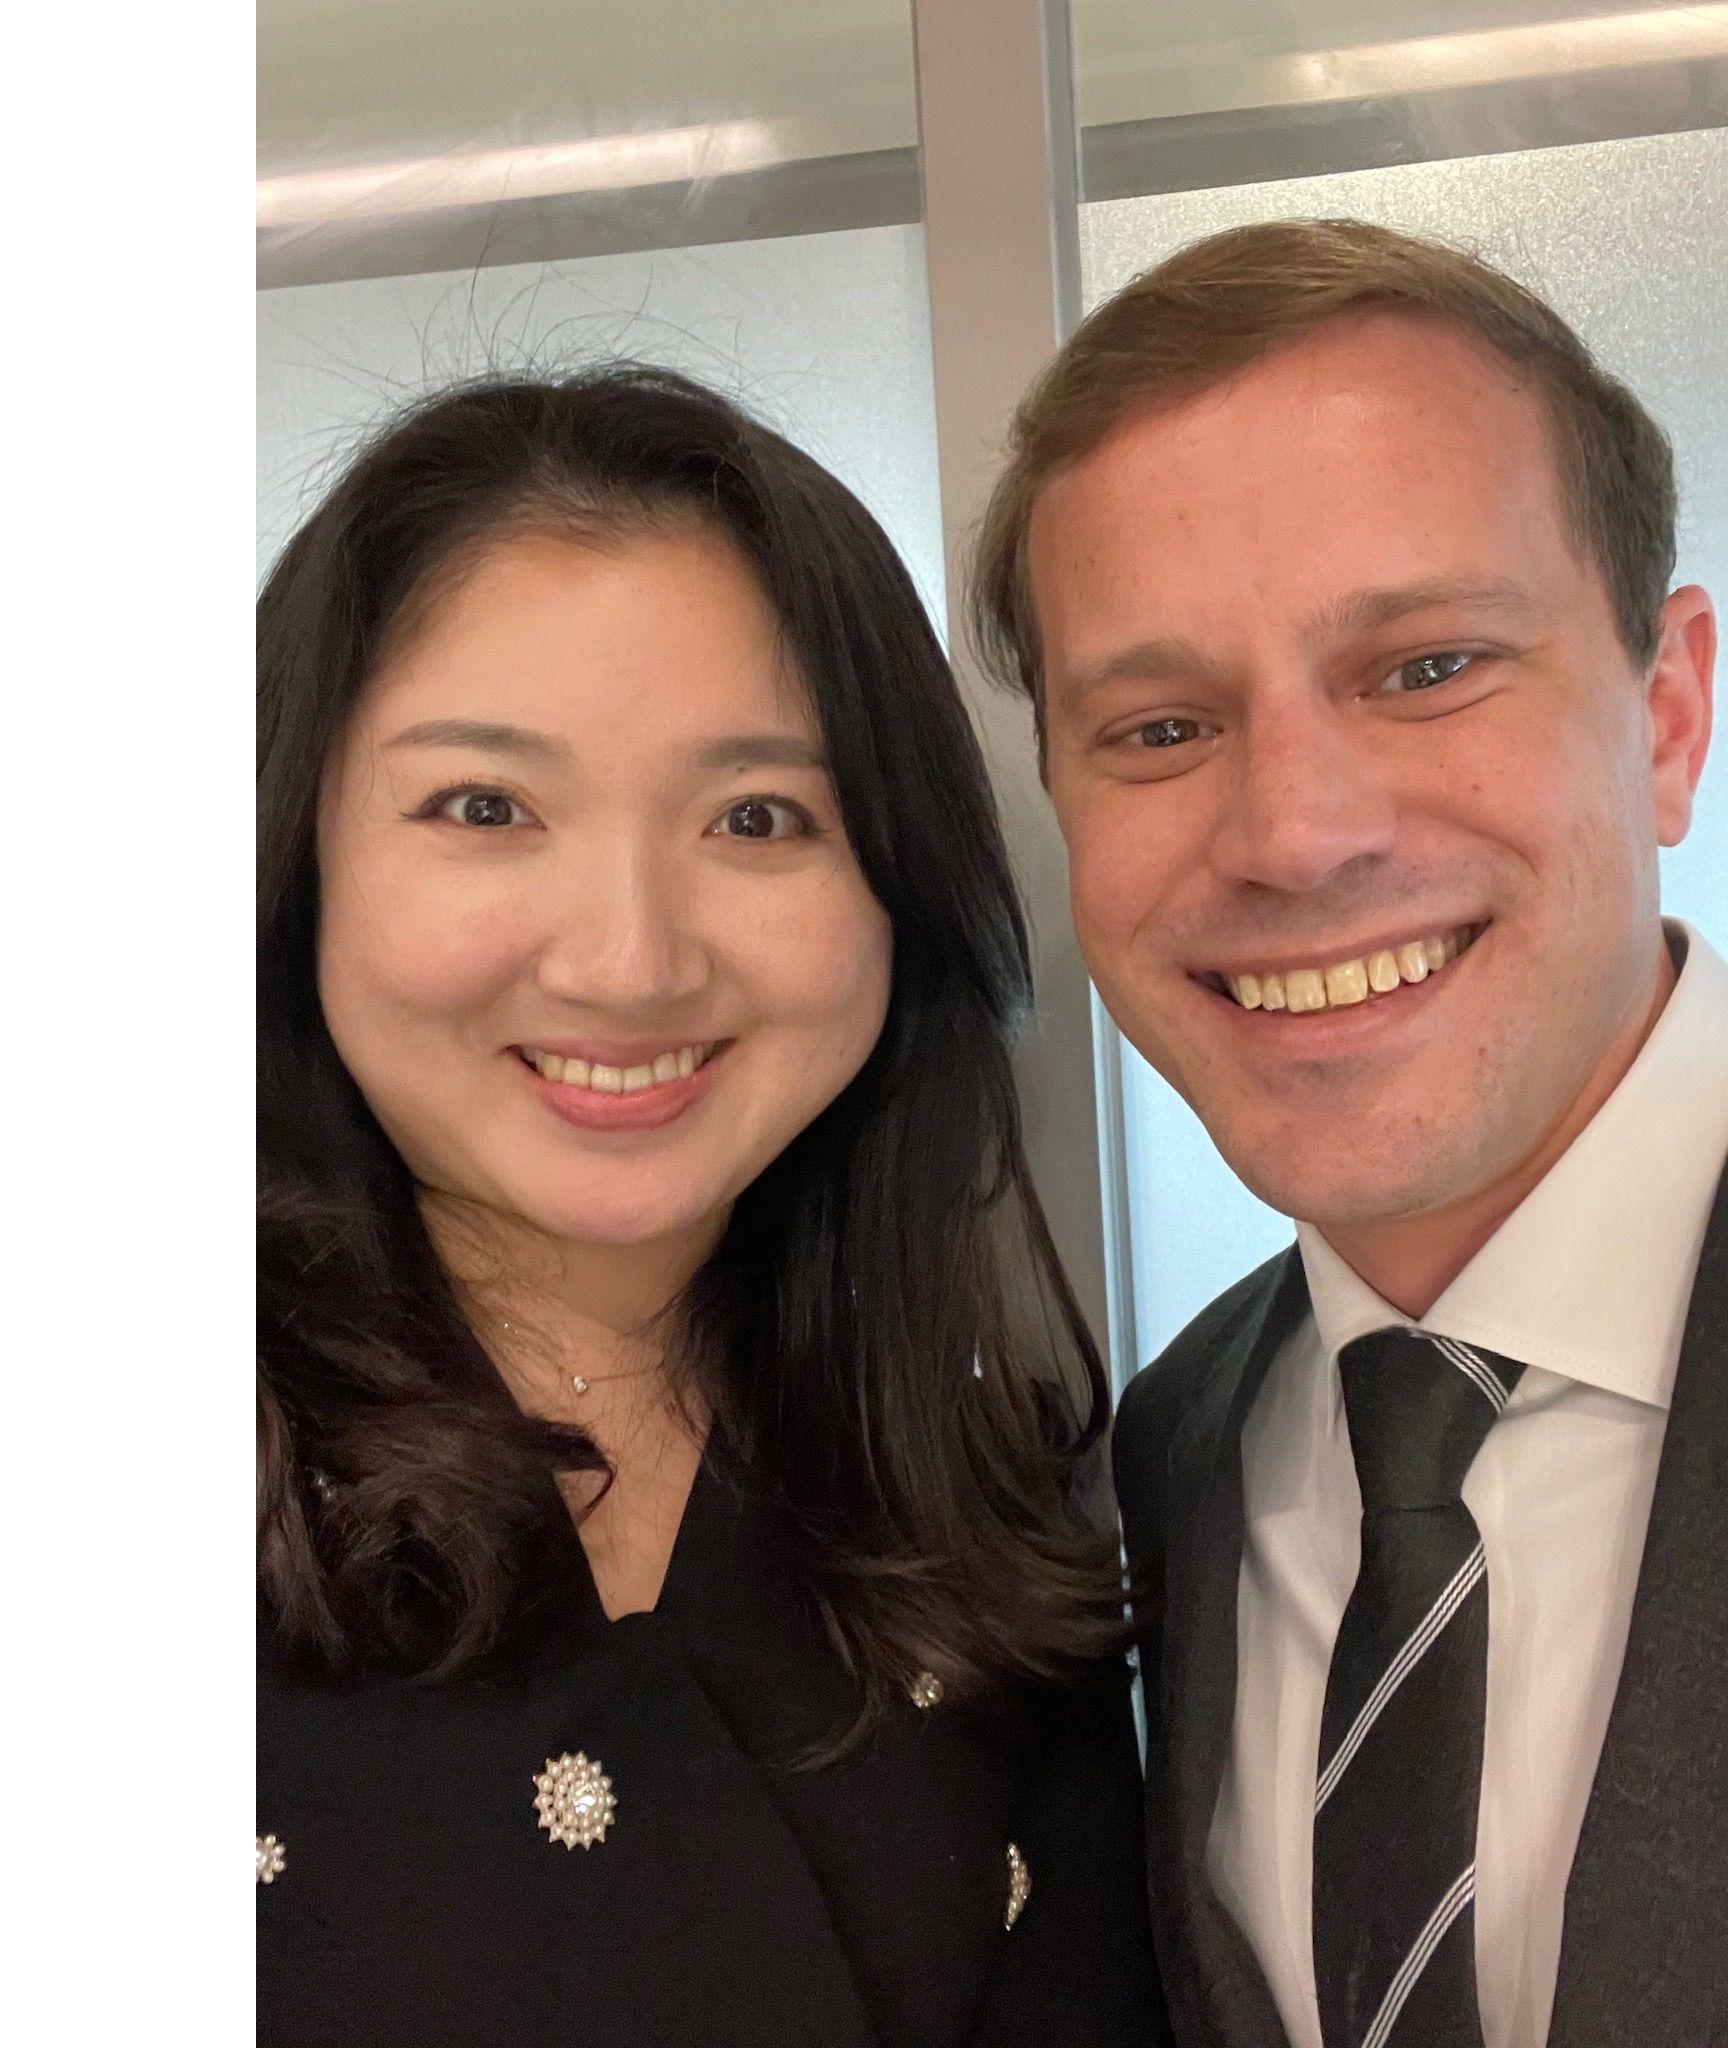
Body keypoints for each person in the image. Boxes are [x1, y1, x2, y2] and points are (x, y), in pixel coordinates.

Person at [257, 364, 1169, 2048]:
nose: (630, 960)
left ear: (897, 889)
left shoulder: (986, 1502)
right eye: (485, 807)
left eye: (758, 817)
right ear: (294, 860)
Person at [969, 219, 1728, 2048]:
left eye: (1425, 669)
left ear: (1667, 714)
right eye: (1161, 726)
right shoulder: (1175, 1457)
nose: (1294, 833)